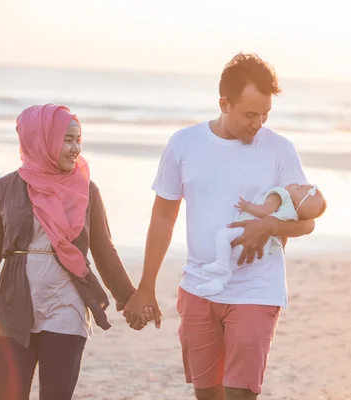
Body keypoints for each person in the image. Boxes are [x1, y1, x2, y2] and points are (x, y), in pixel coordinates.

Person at [124, 53, 319, 400]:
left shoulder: (280, 151)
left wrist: (269, 225)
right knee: (207, 393)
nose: (258, 123)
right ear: (224, 104)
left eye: (265, 114)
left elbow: (307, 222)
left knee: (240, 393)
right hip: (199, 287)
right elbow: (163, 216)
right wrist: (146, 286)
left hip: (257, 289)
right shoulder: (183, 144)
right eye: (249, 114)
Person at [0, 104, 150, 400]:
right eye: (67, 140)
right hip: (13, 304)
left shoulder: (87, 190)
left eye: (78, 139)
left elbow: (103, 248)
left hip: (66, 306)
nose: (75, 149)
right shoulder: (3, 189)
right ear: (41, 139)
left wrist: (131, 298)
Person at [197, 183, 326, 296]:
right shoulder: (293, 216)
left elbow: (266, 211)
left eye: (297, 187)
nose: (294, 183)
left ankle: (221, 264)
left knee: (223, 235)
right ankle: (218, 283)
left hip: (249, 232)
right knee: (232, 260)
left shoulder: (281, 194)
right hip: (264, 247)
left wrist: (247, 206)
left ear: (296, 203)